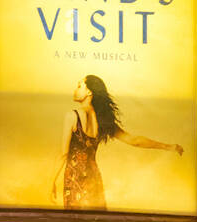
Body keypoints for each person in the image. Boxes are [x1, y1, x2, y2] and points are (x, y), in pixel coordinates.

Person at [50, 75, 183, 208]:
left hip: (75, 180)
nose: (75, 90)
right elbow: (134, 140)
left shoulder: (72, 116)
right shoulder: (103, 120)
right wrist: (168, 147)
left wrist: (52, 182)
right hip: (94, 178)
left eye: (79, 86)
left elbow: (63, 154)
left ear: (89, 92)